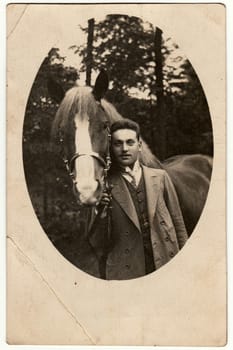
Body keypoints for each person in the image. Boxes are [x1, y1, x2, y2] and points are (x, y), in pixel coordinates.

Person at [88, 119, 188, 280]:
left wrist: (184, 259)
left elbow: (178, 223)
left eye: (130, 142)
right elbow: (97, 243)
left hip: (164, 260)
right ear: (111, 148)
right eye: (117, 144)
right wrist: (100, 211)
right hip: (128, 269)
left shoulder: (160, 177)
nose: (124, 149)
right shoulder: (104, 184)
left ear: (139, 146)